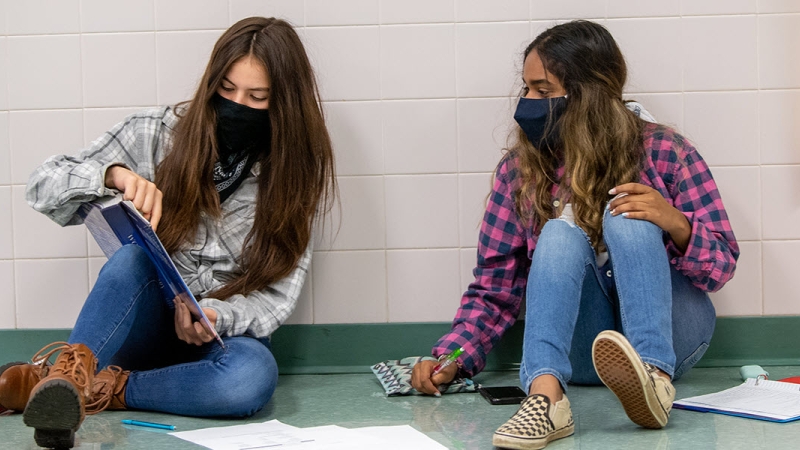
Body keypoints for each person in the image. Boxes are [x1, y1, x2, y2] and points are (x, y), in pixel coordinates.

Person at [0, 17, 335, 449]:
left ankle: (87, 389)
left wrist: (217, 316)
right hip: (139, 326)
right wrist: (113, 175)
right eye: (226, 90)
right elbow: (42, 184)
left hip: (215, 343)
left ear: (283, 104)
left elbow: (275, 299)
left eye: (258, 97)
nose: (237, 104)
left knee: (251, 377)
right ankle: (68, 375)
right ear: (211, 83)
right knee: (131, 260)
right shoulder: (154, 132)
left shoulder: (295, 173)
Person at [411, 20, 738, 450]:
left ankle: (654, 378)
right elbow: (495, 286)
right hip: (582, 349)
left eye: (543, 92)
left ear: (589, 95)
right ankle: (546, 398)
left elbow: (721, 267)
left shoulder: (667, 152)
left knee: (629, 215)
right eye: (526, 89)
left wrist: (673, 220)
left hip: (675, 335)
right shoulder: (522, 171)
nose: (527, 102)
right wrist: (450, 357)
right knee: (559, 235)